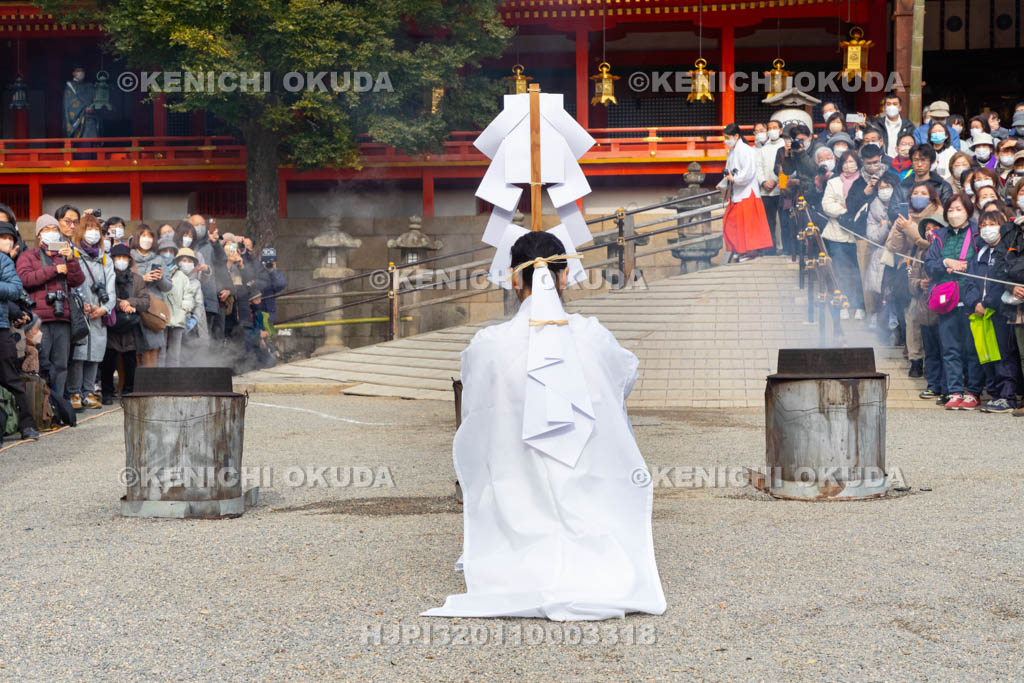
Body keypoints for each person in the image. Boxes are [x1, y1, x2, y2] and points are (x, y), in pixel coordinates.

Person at [422, 230, 666, 621]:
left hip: (516, 477)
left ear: (514, 279)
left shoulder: (488, 344)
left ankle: (520, 554)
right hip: (587, 476)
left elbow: (472, 405)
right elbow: (626, 377)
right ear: (565, 276)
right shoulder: (593, 336)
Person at [924, 193, 984, 410]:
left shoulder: (977, 233)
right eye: (950, 210)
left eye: (959, 209)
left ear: (968, 210)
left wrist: (968, 266)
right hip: (946, 299)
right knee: (949, 348)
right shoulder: (940, 235)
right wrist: (945, 263)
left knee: (972, 348)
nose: (954, 213)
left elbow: (984, 262)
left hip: (969, 297)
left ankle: (974, 391)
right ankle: (954, 390)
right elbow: (929, 264)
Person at [17, 214, 85, 403]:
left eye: (54, 230)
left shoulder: (63, 255)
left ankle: (58, 405)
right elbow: (25, 279)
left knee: (61, 365)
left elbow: (78, 280)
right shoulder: (28, 256)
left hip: (62, 317)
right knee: (42, 364)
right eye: (46, 230)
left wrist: (71, 261)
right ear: (39, 235)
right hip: (39, 319)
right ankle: (42, 406)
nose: (51, 233)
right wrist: (54, 270)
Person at [962, 210, 1020, 414]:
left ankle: (1008, 396)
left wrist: (988, 303)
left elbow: (1003, 283)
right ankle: (996, 393)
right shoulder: (980, 253)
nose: (987, 228)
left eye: (992, 223)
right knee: (987, 354)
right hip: (979, 313)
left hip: (1000, 311)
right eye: (983, 224)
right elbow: (968, 282)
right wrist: (974, 302)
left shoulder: (1008, 251)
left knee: (1004, 354)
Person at [886, 182, 944, 369]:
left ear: (932, 196)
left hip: (934, 269)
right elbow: (893, 247)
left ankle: (931, 358)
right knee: (911, 314)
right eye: (915, 193)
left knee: (932, 317)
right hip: (910, 269)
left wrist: (911, 228)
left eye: (923, 193)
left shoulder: (938, 215)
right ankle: (915, 358)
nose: (919, 196)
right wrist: (898, 227)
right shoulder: (905, 216)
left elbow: (930, 243)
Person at [67, 214, 115, 410]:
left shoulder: (106, 259)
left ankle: (89, 392)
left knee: (95, 353)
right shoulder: (73, 255)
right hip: (80, 311)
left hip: (99, 313)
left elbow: (111, 288)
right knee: (78, 354)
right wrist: (83, 304)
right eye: (89, 228)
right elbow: (72, 283)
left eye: (96, 229)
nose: (93, 233)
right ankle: (74, 392)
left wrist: (104, 309)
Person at [0, 221, 40, 441]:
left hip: (1, 327)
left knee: (11, 377)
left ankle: (27, 424)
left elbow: (15, 288)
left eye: (9, 238)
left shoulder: (3, 260)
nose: (7, 242)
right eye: (3, 238)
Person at [821, 149, 868, 320]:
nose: (849, 165)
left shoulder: (864, 182)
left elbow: (864, 206)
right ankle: (842, 304)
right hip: (836, 233)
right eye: (846, 162)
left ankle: (859, 305)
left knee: (858, 272)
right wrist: (846, 211)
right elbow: (827, 204)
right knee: (840, 271)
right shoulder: (833, 182)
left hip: (858, 235)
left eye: (852, 161)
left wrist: (847, 208)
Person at [100, 244, 149, 402]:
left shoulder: (137, 279)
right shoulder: (107, 275)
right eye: (117, 258)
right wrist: (119, 305)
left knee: (130, 361)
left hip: (130, 326)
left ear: (129, 260)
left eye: (124, 258)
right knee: (108, 361)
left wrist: (129, 302)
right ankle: (107, 393)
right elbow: (103, 297)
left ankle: (128, 392)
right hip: (112, 324)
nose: (121, 261)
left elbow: (145, 301)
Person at [719, 123, 774, 261]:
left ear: (736, 136)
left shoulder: (745, 150)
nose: (726, 140)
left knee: (748, 225)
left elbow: (748, 172)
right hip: (737, 191)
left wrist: (734, 178)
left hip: (747, 192)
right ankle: (740, 249)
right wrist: (724, 183)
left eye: (728, 137)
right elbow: (728, 171)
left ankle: (750, 251)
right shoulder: (733, 151)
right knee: (733, 223)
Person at [907, 218, 946, 399]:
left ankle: (948, 388)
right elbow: (911, 279)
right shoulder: (920, 251)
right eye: (927, 229)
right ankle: (933, 384)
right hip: (925, 308)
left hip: (944, 308)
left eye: (935, 227)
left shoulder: (947, 248)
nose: (931, 231)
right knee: (930, 351)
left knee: (946, 349)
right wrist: (918, 283)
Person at [864, 172, 903, 330]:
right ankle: (881, 324)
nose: (885, 191)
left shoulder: (903, 206)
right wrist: (886, 225)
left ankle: (896, 322)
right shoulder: (874, 208)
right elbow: (872, 236)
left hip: (900, 256)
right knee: (881, 292)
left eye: (889, 187)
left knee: (897, 291)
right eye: (882, 188)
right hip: (881, 256)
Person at [131, 227, 170, 367]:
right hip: (134, 306)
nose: (146, 239)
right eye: (143, 235)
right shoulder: (130, 257)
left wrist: (159, 279)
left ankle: (149, 382)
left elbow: (168, 286)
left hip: (153, 309)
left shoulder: (159, 259)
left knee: (153, 347)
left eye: (150, 236)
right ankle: (133, 383)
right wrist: (142, 278)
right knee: (134, 347)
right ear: (137, 238)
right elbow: (123, 281)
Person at [755, 120, 786, 254]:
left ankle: (787, 248)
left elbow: (785, 167)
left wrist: (774, 181)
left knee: (784, 220)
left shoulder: (785, 146)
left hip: (781, 188)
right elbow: (758, 167)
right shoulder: (764, 149)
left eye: (775, 128)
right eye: (769, 128)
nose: (772, 130)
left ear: (780, 130)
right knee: (768, 221)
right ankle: (770, 249)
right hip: (766, 190)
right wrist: (763, 181)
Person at [163, 247, 198, 368]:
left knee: (174, 352)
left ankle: (173, 377)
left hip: (178, 319)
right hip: (163, 317)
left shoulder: (183, 277)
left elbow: (188, 296)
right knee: (161, 351)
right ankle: (160, 376)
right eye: (184, 260)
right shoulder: (163, 272)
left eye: (189, 261)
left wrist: (184, 310)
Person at [871, 93, 916, 159]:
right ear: (884, 107)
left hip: (903, 162)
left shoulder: (908, 126)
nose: (891, 107)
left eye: (895, 104)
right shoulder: (877, 125)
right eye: (888, 104)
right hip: (882, 161)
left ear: (900, 108)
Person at [259, 247, 287, 324]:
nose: (269, 263)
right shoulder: (256, 270)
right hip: (257, 309)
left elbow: (281, 285)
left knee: (267, 333)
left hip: (269, 312)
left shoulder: (275, 272)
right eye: (266, 260)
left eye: (271, 261)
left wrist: (272, 271)